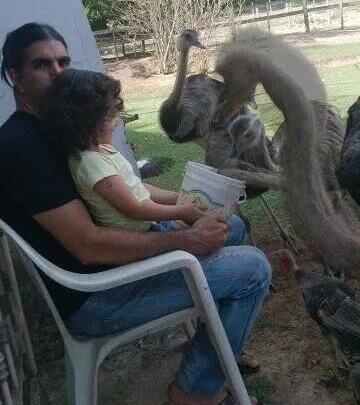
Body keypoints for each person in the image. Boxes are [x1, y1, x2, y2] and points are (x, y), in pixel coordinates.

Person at [0, 23, 271, 405]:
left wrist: (190, 202)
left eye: (64, 62)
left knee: (233, 225)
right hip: (99, 297)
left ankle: (215, 347)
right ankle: (194, 391)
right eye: (42, 65)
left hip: (117, 269)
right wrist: (184, 236)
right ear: (16, 77)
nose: (59, 74)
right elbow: (89, 247)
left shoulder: (59, 130)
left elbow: (127, 188)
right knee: (253, 270)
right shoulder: (21, 148)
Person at [45, 68, 205, 233]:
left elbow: (138, 189)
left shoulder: (104, 149)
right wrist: (183, 211)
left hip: (153, 223)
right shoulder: (90, 163)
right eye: (111, 116)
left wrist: (178, 198)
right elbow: (134, 209)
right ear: (86, 120)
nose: (118, 122)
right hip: (145, 234)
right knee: (228, 229)